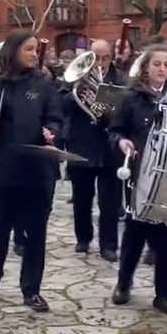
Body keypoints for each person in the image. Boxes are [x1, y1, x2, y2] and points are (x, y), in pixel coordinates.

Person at [0, 31, 63, 312]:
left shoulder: (44, 83)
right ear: (13, 52)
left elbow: (55, 117)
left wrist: (52, 131)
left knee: (37, 231)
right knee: (0, 228)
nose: (35, 54)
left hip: (38, 169)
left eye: (36, 49)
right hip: (5, 169)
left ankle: (31, 289)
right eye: (29, 49)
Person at [108, 44, 167, 316]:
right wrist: (121, 142)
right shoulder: (132, 98)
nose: (162, 69)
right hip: (140, 170)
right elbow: (115, 131)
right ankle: (123, 284)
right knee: (136, 231)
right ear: (146, 67)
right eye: (157, 64)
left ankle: (165, 294)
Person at [61, 39, 122, 262]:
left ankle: (109, 244)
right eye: (97, 58)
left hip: (109, 147)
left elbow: (121, 110)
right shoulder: (74, 77)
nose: (101, 63)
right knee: (81, 198)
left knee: (110, 201)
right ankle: (83, 238)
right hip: (81, 144)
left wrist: (102, 101)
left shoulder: (119, 79)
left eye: (106, 58)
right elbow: (62, 106)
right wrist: (76, 95)